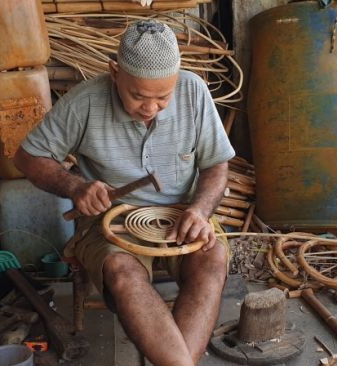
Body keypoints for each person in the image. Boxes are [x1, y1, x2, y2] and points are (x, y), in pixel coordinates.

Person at [14, 20, 235, 365]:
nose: (150, 108)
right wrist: (75, 186)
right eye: (138, 96)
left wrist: (200, 210)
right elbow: (28, 157)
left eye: (163, 97)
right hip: (107, 221)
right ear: (114, 72)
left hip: (182, 213)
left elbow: (216, 166)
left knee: (212, 259)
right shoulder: (85, 102)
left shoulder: (194, 92)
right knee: (122, 272)